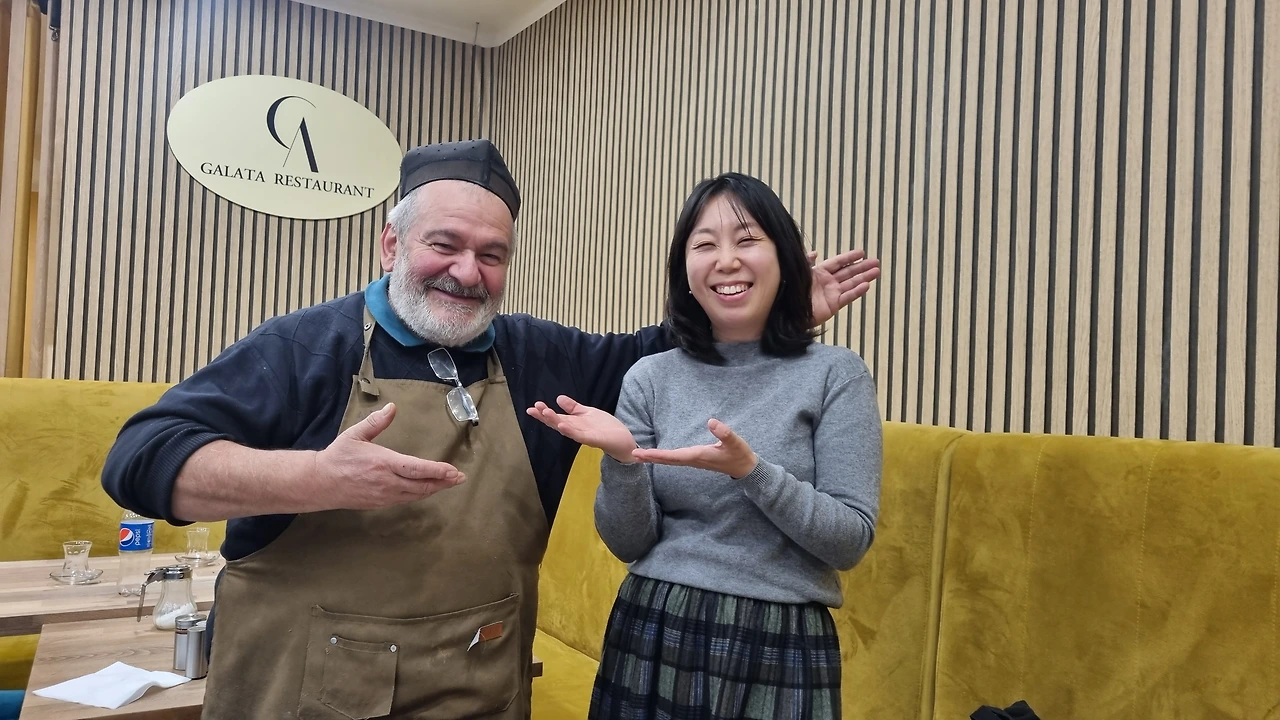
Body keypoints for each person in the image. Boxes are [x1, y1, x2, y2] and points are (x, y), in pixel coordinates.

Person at [100, 140, 881, 719]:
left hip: (480, 693)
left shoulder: (539, 357)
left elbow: (666, 353)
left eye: (492, 254)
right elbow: (139, 457)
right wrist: (312, 478)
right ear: (392, 243)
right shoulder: (307, 347)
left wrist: (772, 309)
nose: (467, 273)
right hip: (302, 696)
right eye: (444, 244)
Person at [529, 172, 882, 719]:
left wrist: (751, 471)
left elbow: (849, 542)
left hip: (781, 642)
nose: (727, 260)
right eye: (705, 245)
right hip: (653, 625)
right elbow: (628, 542)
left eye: (748, 239)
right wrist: (622, 460)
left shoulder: (836, 374)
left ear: (786, 259)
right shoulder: (650, 377)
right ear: (685, 273)